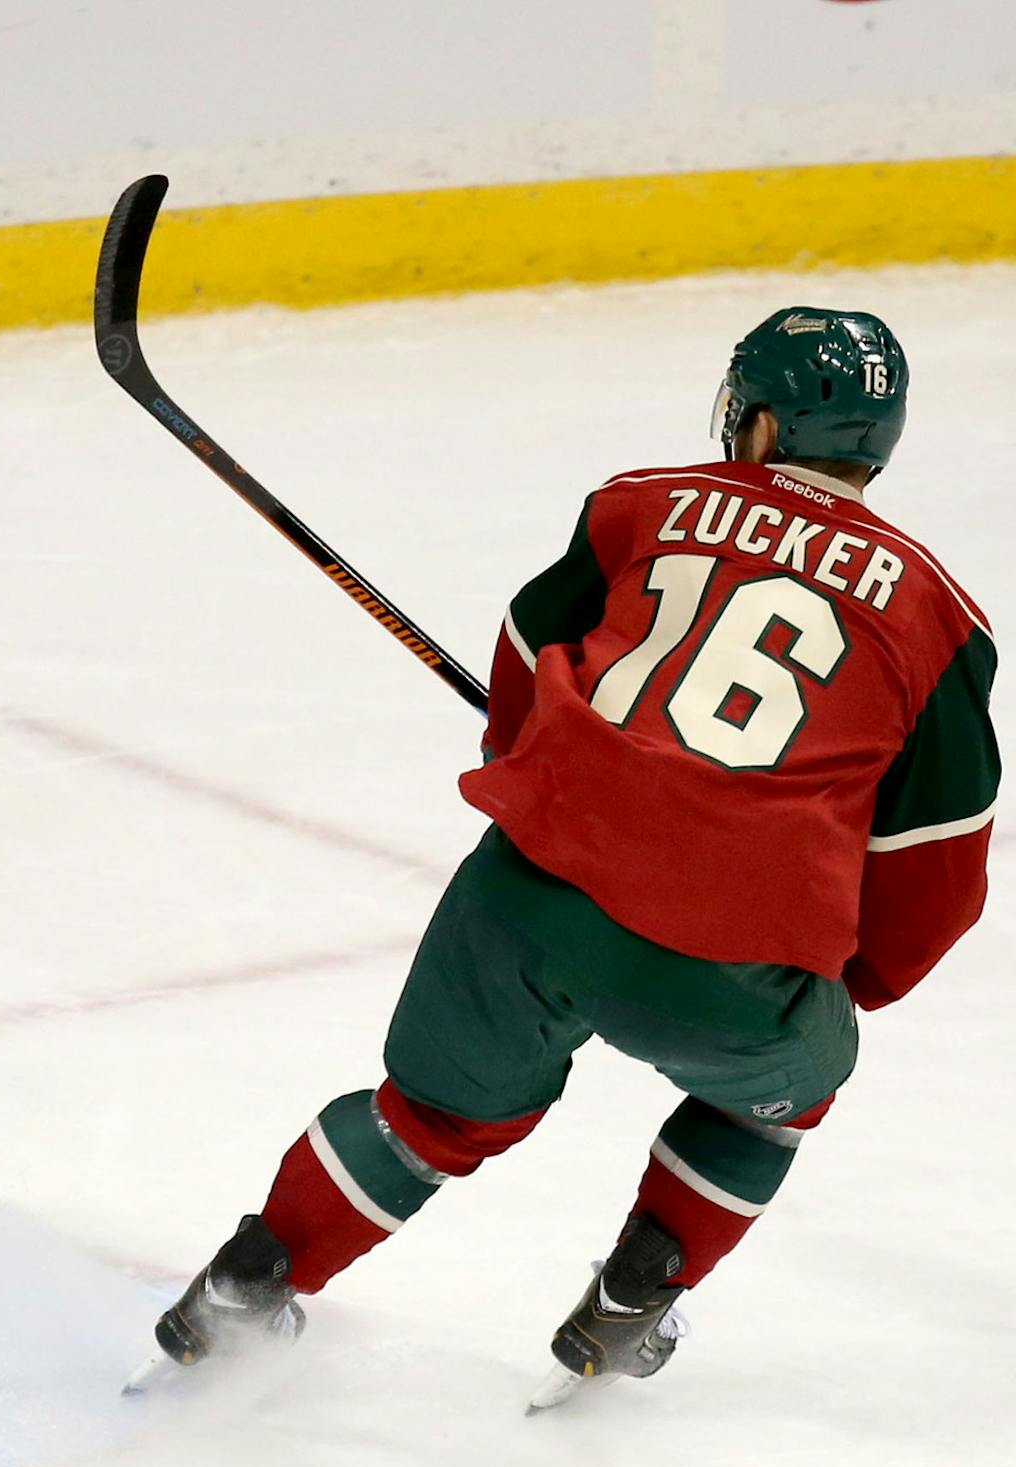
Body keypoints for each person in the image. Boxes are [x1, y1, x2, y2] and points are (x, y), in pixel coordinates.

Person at [144, 308, 998, 1406]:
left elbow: (520, 654)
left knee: (434, 1116)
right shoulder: (939, 618)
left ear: (766, 423)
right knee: (776, 1094)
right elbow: (935, 862)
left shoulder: (639, 504)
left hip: (531, 895)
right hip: (732, 958)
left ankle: (245, 1286)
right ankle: (637, 1290)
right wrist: (840, 985)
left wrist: (539, 762)